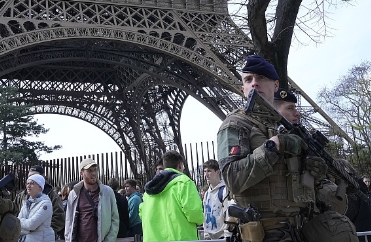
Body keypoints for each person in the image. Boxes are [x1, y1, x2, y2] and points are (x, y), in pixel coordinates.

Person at [217, 54, 356, 242]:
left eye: (261, 78)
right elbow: (232, 178)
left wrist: (314, 175)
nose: (254, 83)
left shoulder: (286, 128)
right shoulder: (235, 124)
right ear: (243, 89)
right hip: (263, 233)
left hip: (300, 230)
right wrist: (274, 146)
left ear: (276, 85)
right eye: (248, 79)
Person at [139, 150, 204, 241]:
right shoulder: (184, 182)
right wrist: (200, 220)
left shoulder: (149, 190)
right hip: (180, 238)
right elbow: (194, 213)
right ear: (180, 165)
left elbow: (142, 214)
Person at [64, 157, 119, 242]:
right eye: (89, 171)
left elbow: (115, 219)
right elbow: (69, 221)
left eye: (95, 170)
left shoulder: (107, 192)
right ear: (81, 173)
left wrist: (109, 240)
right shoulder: (74, 193)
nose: (93, 173)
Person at [16, 165, 65, 237]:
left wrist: (48, 232)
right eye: (29, 176)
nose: (31, 178)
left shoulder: (52, 196)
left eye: (34, 175)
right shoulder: (21, 196)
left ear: (43, 176)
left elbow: (59, 217)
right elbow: (15, 213)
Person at [18, 174, 55, 242]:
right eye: (27, 183)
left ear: (40, 187)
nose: (28, 186)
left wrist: (22, 223)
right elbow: (18, 223)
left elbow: (31, 225)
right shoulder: (27, 202)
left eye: (32, 183)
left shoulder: (45, 204)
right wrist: (27, 228)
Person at [201, 159, 229, 240]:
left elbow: (228, 215)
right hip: (210, 238)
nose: (206, 174)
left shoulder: (224, 191)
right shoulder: (207, 194)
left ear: (218, 172)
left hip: (222, 237)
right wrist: (206, 233)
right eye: (205, 171)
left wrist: (227, 235)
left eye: (209, 171)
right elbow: (205, 214)